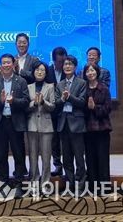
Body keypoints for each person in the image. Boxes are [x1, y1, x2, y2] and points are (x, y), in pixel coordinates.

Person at [0, 54, 29, 197]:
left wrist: (14, 101)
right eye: (3, 63)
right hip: (0, 122)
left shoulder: (21, 81)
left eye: (8, 62)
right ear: (0, 65)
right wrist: (1, 101)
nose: (6, 65)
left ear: (13, 64)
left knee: (18, 154)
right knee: (1, 155)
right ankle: (4, 185)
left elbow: (26, 101)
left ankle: (19, 184)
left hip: (15, 122)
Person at [55, 55, 87, 195]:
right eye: (65, 64)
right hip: (63, 124)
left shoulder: (82, 83)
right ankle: (70, 185)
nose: (67, 66)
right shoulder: (60, 84)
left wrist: (70, 97)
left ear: (75, 67)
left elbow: (82, 102)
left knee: (79, 157)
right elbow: (56, 103)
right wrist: (62, 99)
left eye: (70, 64)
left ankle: (80, 186)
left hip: (77, 124)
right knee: (67, 158)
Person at [26, 61, 55, 197]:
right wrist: (34, 103)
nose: (39, 72)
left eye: (42, 70)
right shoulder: (28, 87)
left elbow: (53, 106)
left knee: (46, 157)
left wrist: (43, 102)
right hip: (32, 125)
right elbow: (25, 106)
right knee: (32, 157)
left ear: (46, 73)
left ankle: (45, 184)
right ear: (33, 72)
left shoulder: (50, 86)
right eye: (37, 69)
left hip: (46, 126)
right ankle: (33, 184)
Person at [83, 62, 112, 195]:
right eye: (88, 71)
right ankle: (92, 187)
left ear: (97, 72)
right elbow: (80, 108)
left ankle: (105, 187)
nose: (90, 73)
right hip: (88, 129)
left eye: (92, 70)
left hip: (102, 129)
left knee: (103, 158)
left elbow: (108, 108)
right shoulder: (83, 88)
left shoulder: (104, 88)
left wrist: (95, 108)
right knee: (90, 158)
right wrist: (87, 107)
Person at [47, 46, 67, 178]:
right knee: (54, 141)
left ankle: (69, 167)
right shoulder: (47, 71)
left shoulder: (70, 71)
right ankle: (57, 165)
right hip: (52, 111)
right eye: (60, 62)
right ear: (54, 60)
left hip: (66, 112)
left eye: (64, 61)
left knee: (66, 141)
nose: (62, 65)